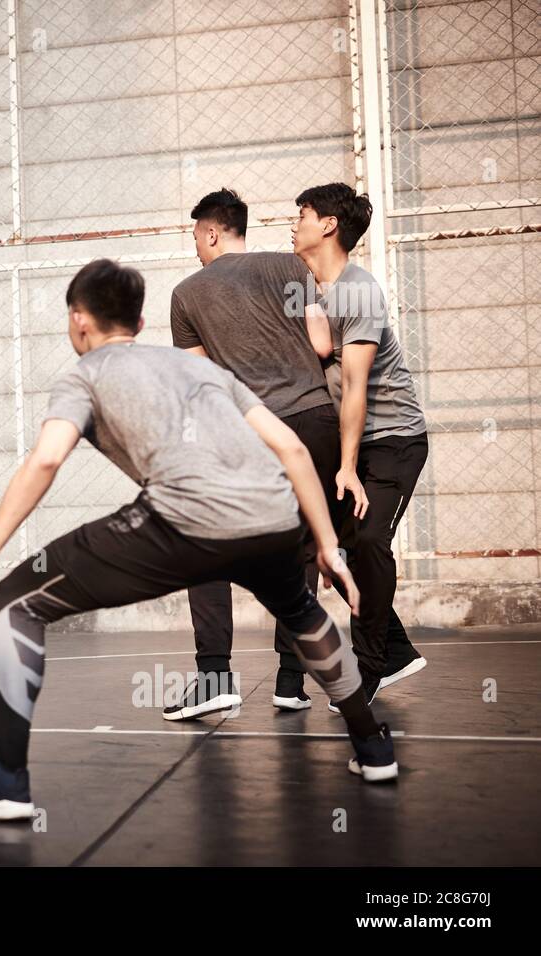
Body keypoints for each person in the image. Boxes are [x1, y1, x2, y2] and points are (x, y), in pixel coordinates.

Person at [0, 257, 397, 822]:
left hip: (187, 523)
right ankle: (371, 747)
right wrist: (323, 542)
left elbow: (48, 458)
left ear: (78, 320)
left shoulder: (86, 373)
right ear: (141, 322)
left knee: (14, 601)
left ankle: (5, 780)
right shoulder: (202, 371)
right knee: (299, 610)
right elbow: (293, 451)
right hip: (274, 519)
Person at [168, 187, 344, 717]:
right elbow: (321, 344)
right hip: (315, 422)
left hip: (253, 427)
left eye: (197, 236)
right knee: (300, 549)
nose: (196, 247)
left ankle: (215, 677)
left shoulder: (185, 294)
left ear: (213, 232)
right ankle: (291, 682)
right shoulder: (292, 267)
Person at [293, 183, 428, 708]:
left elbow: (354, 387)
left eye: (302, 213)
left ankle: (369, 666)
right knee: (343, 554)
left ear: (328, 225)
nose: (294, 222)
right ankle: (395, 651)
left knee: (370, 542)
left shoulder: (359, 289)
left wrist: (346, 467)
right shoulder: (306, 288)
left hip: (393, 438)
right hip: (349, 443)